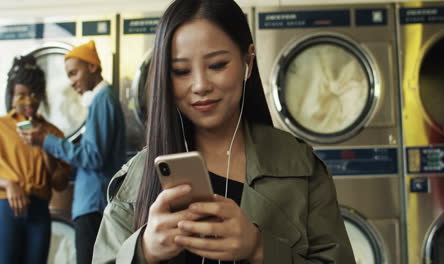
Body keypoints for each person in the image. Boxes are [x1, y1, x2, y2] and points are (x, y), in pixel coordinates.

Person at [93, 0, 355, 263]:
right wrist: (144, 251)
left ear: (247, 62)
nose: (200, 85)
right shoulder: (138, 177)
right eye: (181, 71)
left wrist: (259, 249)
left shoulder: (301, 166)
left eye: (217, 65)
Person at [18, 40, 127, 264]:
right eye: (68, 76)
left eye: (74, 73)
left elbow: (93, 156)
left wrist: (46, 140)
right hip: (91, 203)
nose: (72, 82)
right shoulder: (101, 101)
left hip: (94, 205)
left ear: (92, 67)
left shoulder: (103, 100)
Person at [0, 55, 70, 264]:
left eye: (33, 94)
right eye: (21, 95)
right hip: (6, 207)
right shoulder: (2, 126)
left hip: (39, 210)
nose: (28, 100)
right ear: (11, 96)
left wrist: (45, 145)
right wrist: (9, 183)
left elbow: (60, 183)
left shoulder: (53, 133)